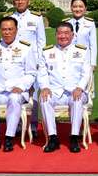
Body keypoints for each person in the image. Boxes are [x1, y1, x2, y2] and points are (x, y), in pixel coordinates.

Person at [0, 16, 38, 152]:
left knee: (14, 98)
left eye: (10, 29)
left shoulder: (25, 48)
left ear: (16, 30)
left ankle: (9, 138)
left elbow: (31, 73)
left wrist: (21, 86)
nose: (7, 32)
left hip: (17, 90)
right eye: (4, 29)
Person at [37, 22, 90, 153]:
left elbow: (86, 73)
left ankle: (74, 137)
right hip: (55, 91)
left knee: (77, 99)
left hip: (75, 90)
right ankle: (52, 137)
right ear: (56, 35)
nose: (63, 36)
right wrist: (44, 87)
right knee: (44, 98)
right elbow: (42, 72)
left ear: (73, 35)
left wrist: (80, 87)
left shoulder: (82, 51)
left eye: (66, 33)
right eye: (60, 33)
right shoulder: (47, 51)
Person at [66, 0, 98, 64]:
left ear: (85, 8)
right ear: (71, 8)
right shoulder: (66, 24)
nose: (77, 9)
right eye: (75, 7)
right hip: (68, 61)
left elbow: (93, 45)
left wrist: (93, 63)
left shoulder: (90, 24)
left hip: (85, 61)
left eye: (81, 6)